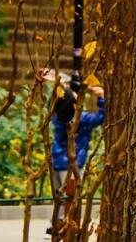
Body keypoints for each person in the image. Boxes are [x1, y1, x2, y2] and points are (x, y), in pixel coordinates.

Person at [41, 68, 105, 237]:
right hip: (72, 164)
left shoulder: (57, 116)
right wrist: (101, 97)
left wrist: (59, 80)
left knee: (59, 197)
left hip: (56, 162)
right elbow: (101, 117)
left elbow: (62, 98)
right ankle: (67, 228)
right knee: (70, 198)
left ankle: (56, 225)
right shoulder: (81, 120)